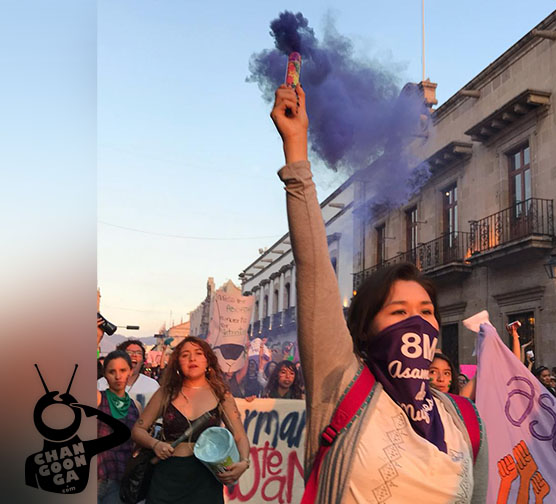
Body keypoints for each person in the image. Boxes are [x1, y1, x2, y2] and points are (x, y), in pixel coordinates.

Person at [270, 83, 487, 503]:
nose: (414, 321)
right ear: (366, 328)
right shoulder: (340, 385)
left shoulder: (464, 419)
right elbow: (314, 267)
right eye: (397, 311)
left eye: (425, 310)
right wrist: (296, 152)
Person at [131, 336, 250, 504]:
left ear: (208, 360)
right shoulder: (166, 393)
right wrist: (155, 444)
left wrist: (244, 462)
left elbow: (239, 436)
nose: (192, 358)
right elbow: (138, 430)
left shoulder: (221, 394)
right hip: (167, 478)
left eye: (198, 353)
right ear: (178, 362)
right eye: (185, 354)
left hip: (206, 480)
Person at [96, 350, 140, 504]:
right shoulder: (98, 398)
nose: (118, 376)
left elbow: (137, 444)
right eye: (111, 371)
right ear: (104, 374)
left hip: (119, 478)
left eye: (123, 370)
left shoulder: (136, 406)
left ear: (131, 371)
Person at [97, 339, 159, 411]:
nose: (134, 355)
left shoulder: (152, 385)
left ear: (143, 360)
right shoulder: (100, 384)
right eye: (129, 352)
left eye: (139, 353)